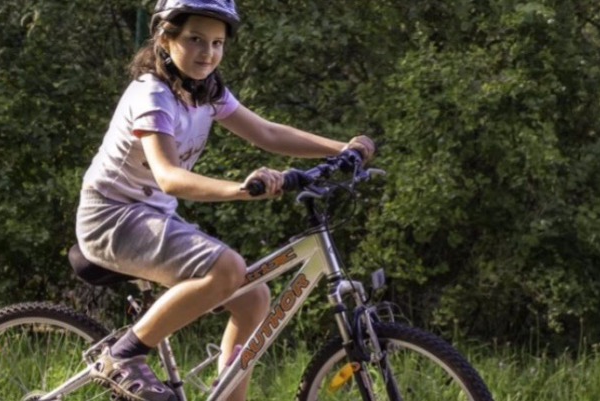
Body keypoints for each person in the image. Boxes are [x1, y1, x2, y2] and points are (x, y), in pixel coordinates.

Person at [75, 1, 375, 400]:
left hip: (153, 217)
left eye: (217, 43)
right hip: (111, 217)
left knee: (253, 298)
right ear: (165, 38)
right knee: (229, 268)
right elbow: (169, 177)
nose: (208, 53)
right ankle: (124, 355)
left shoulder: (206, 92)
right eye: (195, 40)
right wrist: (241, 188)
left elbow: (267, 133)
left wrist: (343, 149)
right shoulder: (153, 95)